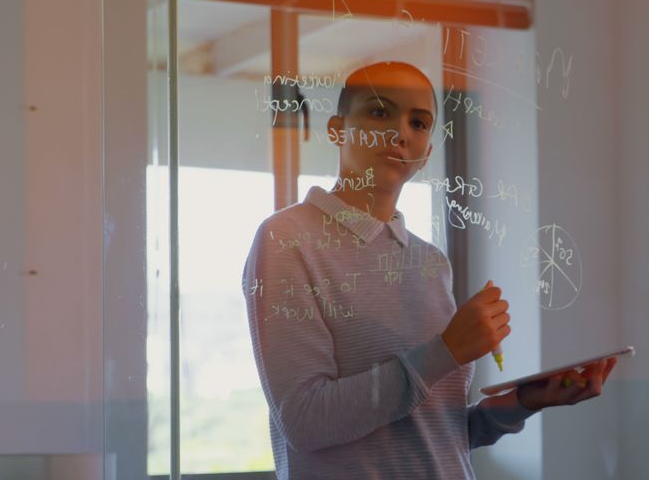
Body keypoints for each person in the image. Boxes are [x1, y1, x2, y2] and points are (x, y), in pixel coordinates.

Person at [242, 61, 616, 479]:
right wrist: (446, 351)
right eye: (380, 112)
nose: (401, 133)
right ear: (336, 129)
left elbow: (435, 431)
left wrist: (524, 401)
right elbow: (306, 421)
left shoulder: (430, 262)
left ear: (427, 153)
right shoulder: (286, 238)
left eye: (418, 123)